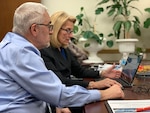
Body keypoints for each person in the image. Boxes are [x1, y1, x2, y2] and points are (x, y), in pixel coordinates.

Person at [0, 2, 124, 113]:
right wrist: (104, 94)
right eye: (49, 26)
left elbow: (42, 90)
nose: (50, 31)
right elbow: (59, 94)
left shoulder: (13, 46)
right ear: (34, 29)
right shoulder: (21, 53)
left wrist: (53, 103)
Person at [40, 11, 123, 113]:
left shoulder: (63, 49)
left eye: (72, 31)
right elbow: (61, 81)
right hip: (60, 101)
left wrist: (102, 73)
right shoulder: (44, 51)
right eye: (68, 30)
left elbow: (79, 71)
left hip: (68, 96)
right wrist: (94, 85)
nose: (71, 35)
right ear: (56, 29)